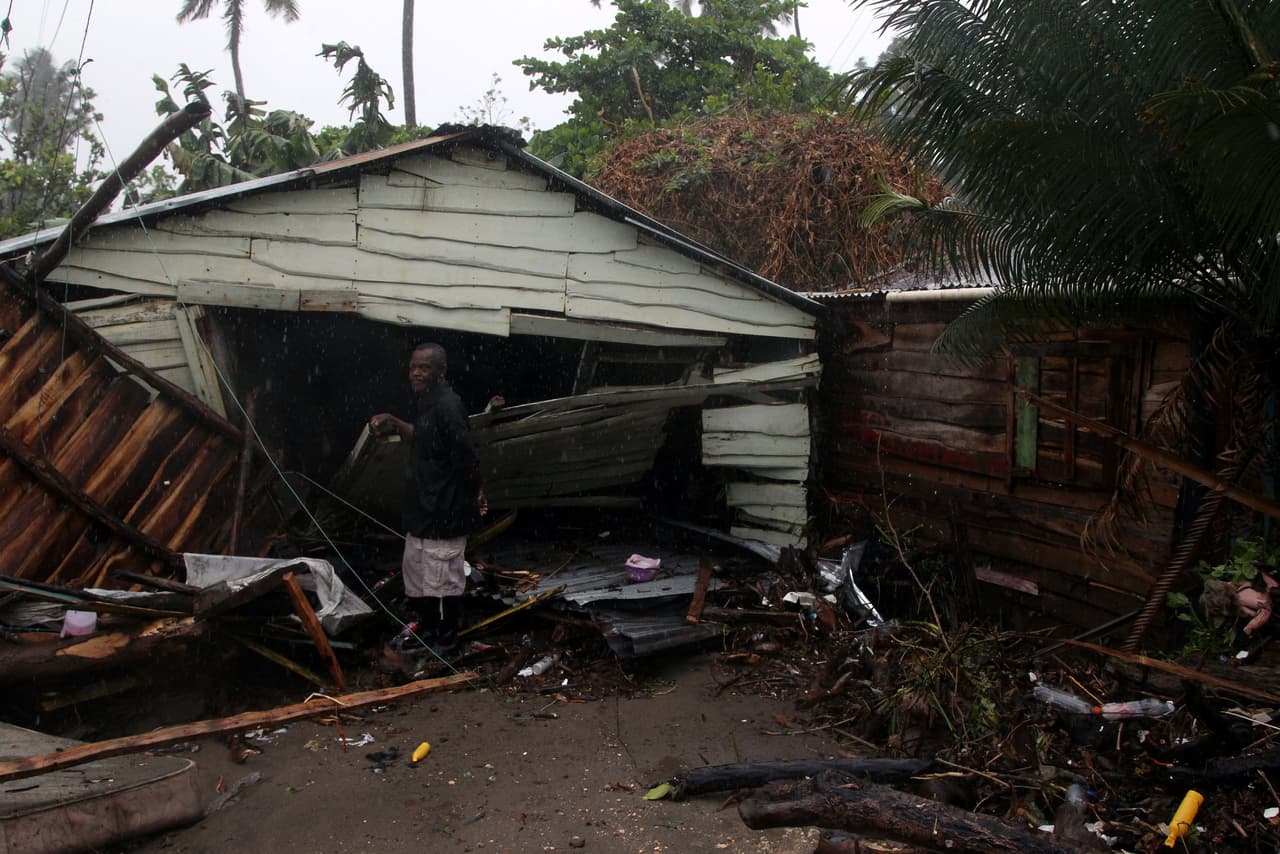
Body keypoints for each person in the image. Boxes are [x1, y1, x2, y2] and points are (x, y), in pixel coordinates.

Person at [370, 342, 487, 653]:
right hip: (422, 508)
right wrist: (394, 420)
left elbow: (468, 458)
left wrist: (476, 492)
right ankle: (429, 634)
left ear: (441, 371)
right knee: (417, 575)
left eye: (424, 367)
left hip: (446, 510)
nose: (417, 372)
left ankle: (446, 642)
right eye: (413, 367)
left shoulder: (449, 407)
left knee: (442, 582)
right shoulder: (426, 401)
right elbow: (422, 436)